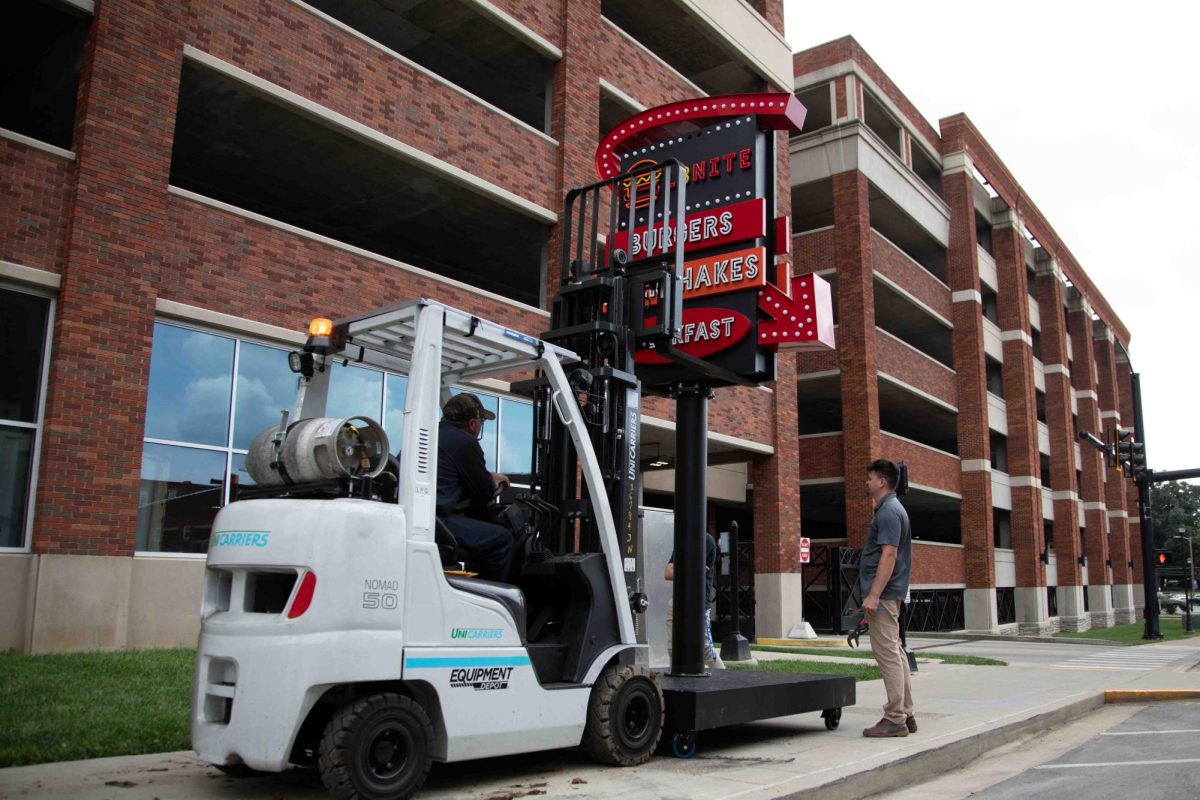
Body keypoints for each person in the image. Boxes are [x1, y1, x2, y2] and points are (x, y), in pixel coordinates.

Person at [860, 458, 915, 737]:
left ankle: (895, 718)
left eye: (870, 478)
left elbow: (889, 554)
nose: (867, 482)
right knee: (896, 651)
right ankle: (906, 713)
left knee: (888, 655)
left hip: (884, 596)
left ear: (882, 481)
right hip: (890, 594)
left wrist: (873, 595)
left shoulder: (889, 512)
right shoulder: (891, 509)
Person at [436, 393, 512, 581]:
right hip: (437, 521)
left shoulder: (429, 433)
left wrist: (486, 477)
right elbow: (484, 493)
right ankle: (493, 599)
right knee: (502, 539)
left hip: (422, 516)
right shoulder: (465, 442)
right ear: (472, 423)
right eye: (481, 422)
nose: (479, 427)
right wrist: (491, 481)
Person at [665, 532, 725, 669]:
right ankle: (676, 683)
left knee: (705, 649)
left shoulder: (705, 540)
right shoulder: (682, 542)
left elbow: (694, 571)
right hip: (677, 600)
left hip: (699, 602)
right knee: (673, 646)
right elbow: (668, 573)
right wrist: (689, 568)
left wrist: (682, 568)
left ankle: (726, 683)